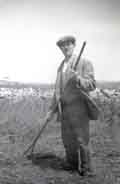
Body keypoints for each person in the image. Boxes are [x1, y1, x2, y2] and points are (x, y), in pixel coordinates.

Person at [46, 35, 96, 177]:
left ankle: (87, 169)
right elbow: (57, 90)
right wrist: (52, 109)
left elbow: (92, 84)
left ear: (74, 45)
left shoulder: (85, 62)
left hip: (79, 108)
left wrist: (78, 79)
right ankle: (71, 163)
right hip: (65, 108)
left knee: (82, 140)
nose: (65, 47)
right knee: (67, 139)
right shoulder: (61, 66)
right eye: (62, 46)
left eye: (68, 44)